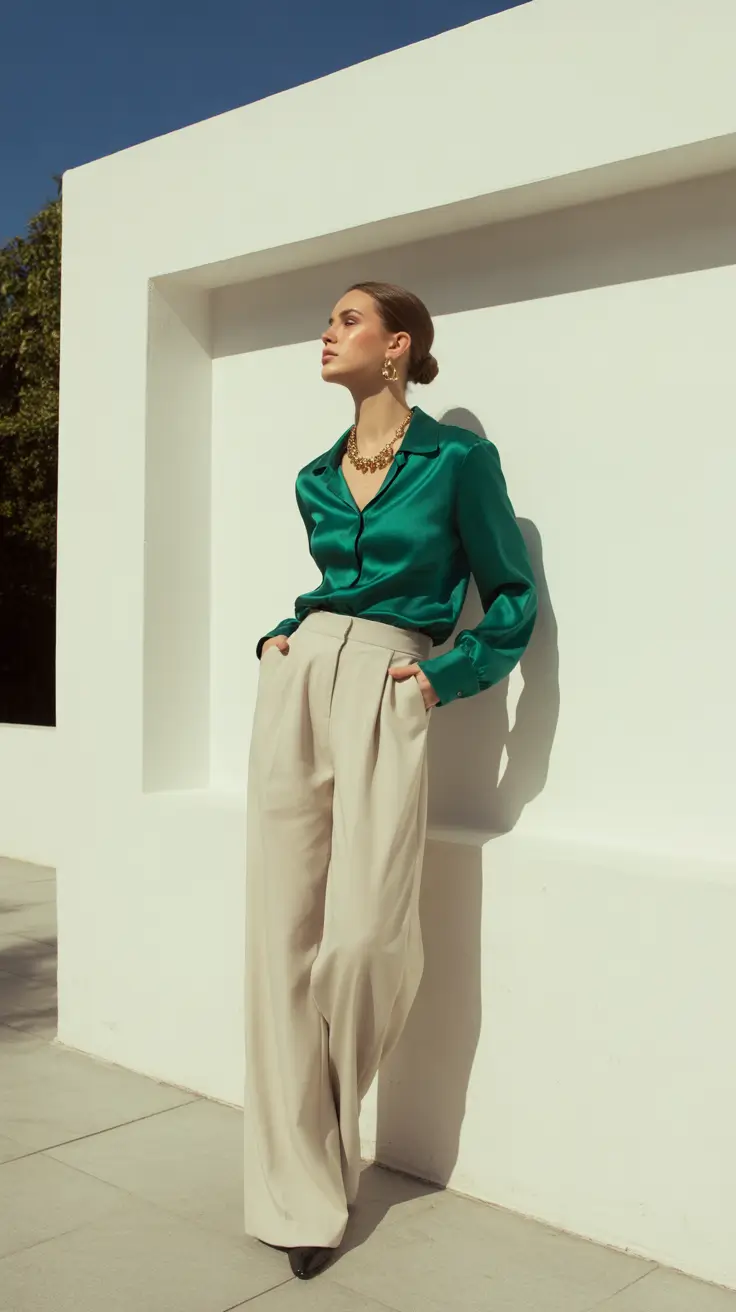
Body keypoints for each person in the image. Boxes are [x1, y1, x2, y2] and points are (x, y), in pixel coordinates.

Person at [244, 281, 537, 1280]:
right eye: (328, 320)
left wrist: (445, 675)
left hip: (389, 681)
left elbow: (510, 595)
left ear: (398, 343)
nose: (326, 333)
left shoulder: (458, 461)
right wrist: (279, 640)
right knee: (282, 939)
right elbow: (327, 591)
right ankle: (298, 1187)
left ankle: (320, 1150)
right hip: (297, 684)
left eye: (348, 320)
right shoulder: (314, 477)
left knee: (365, 939)